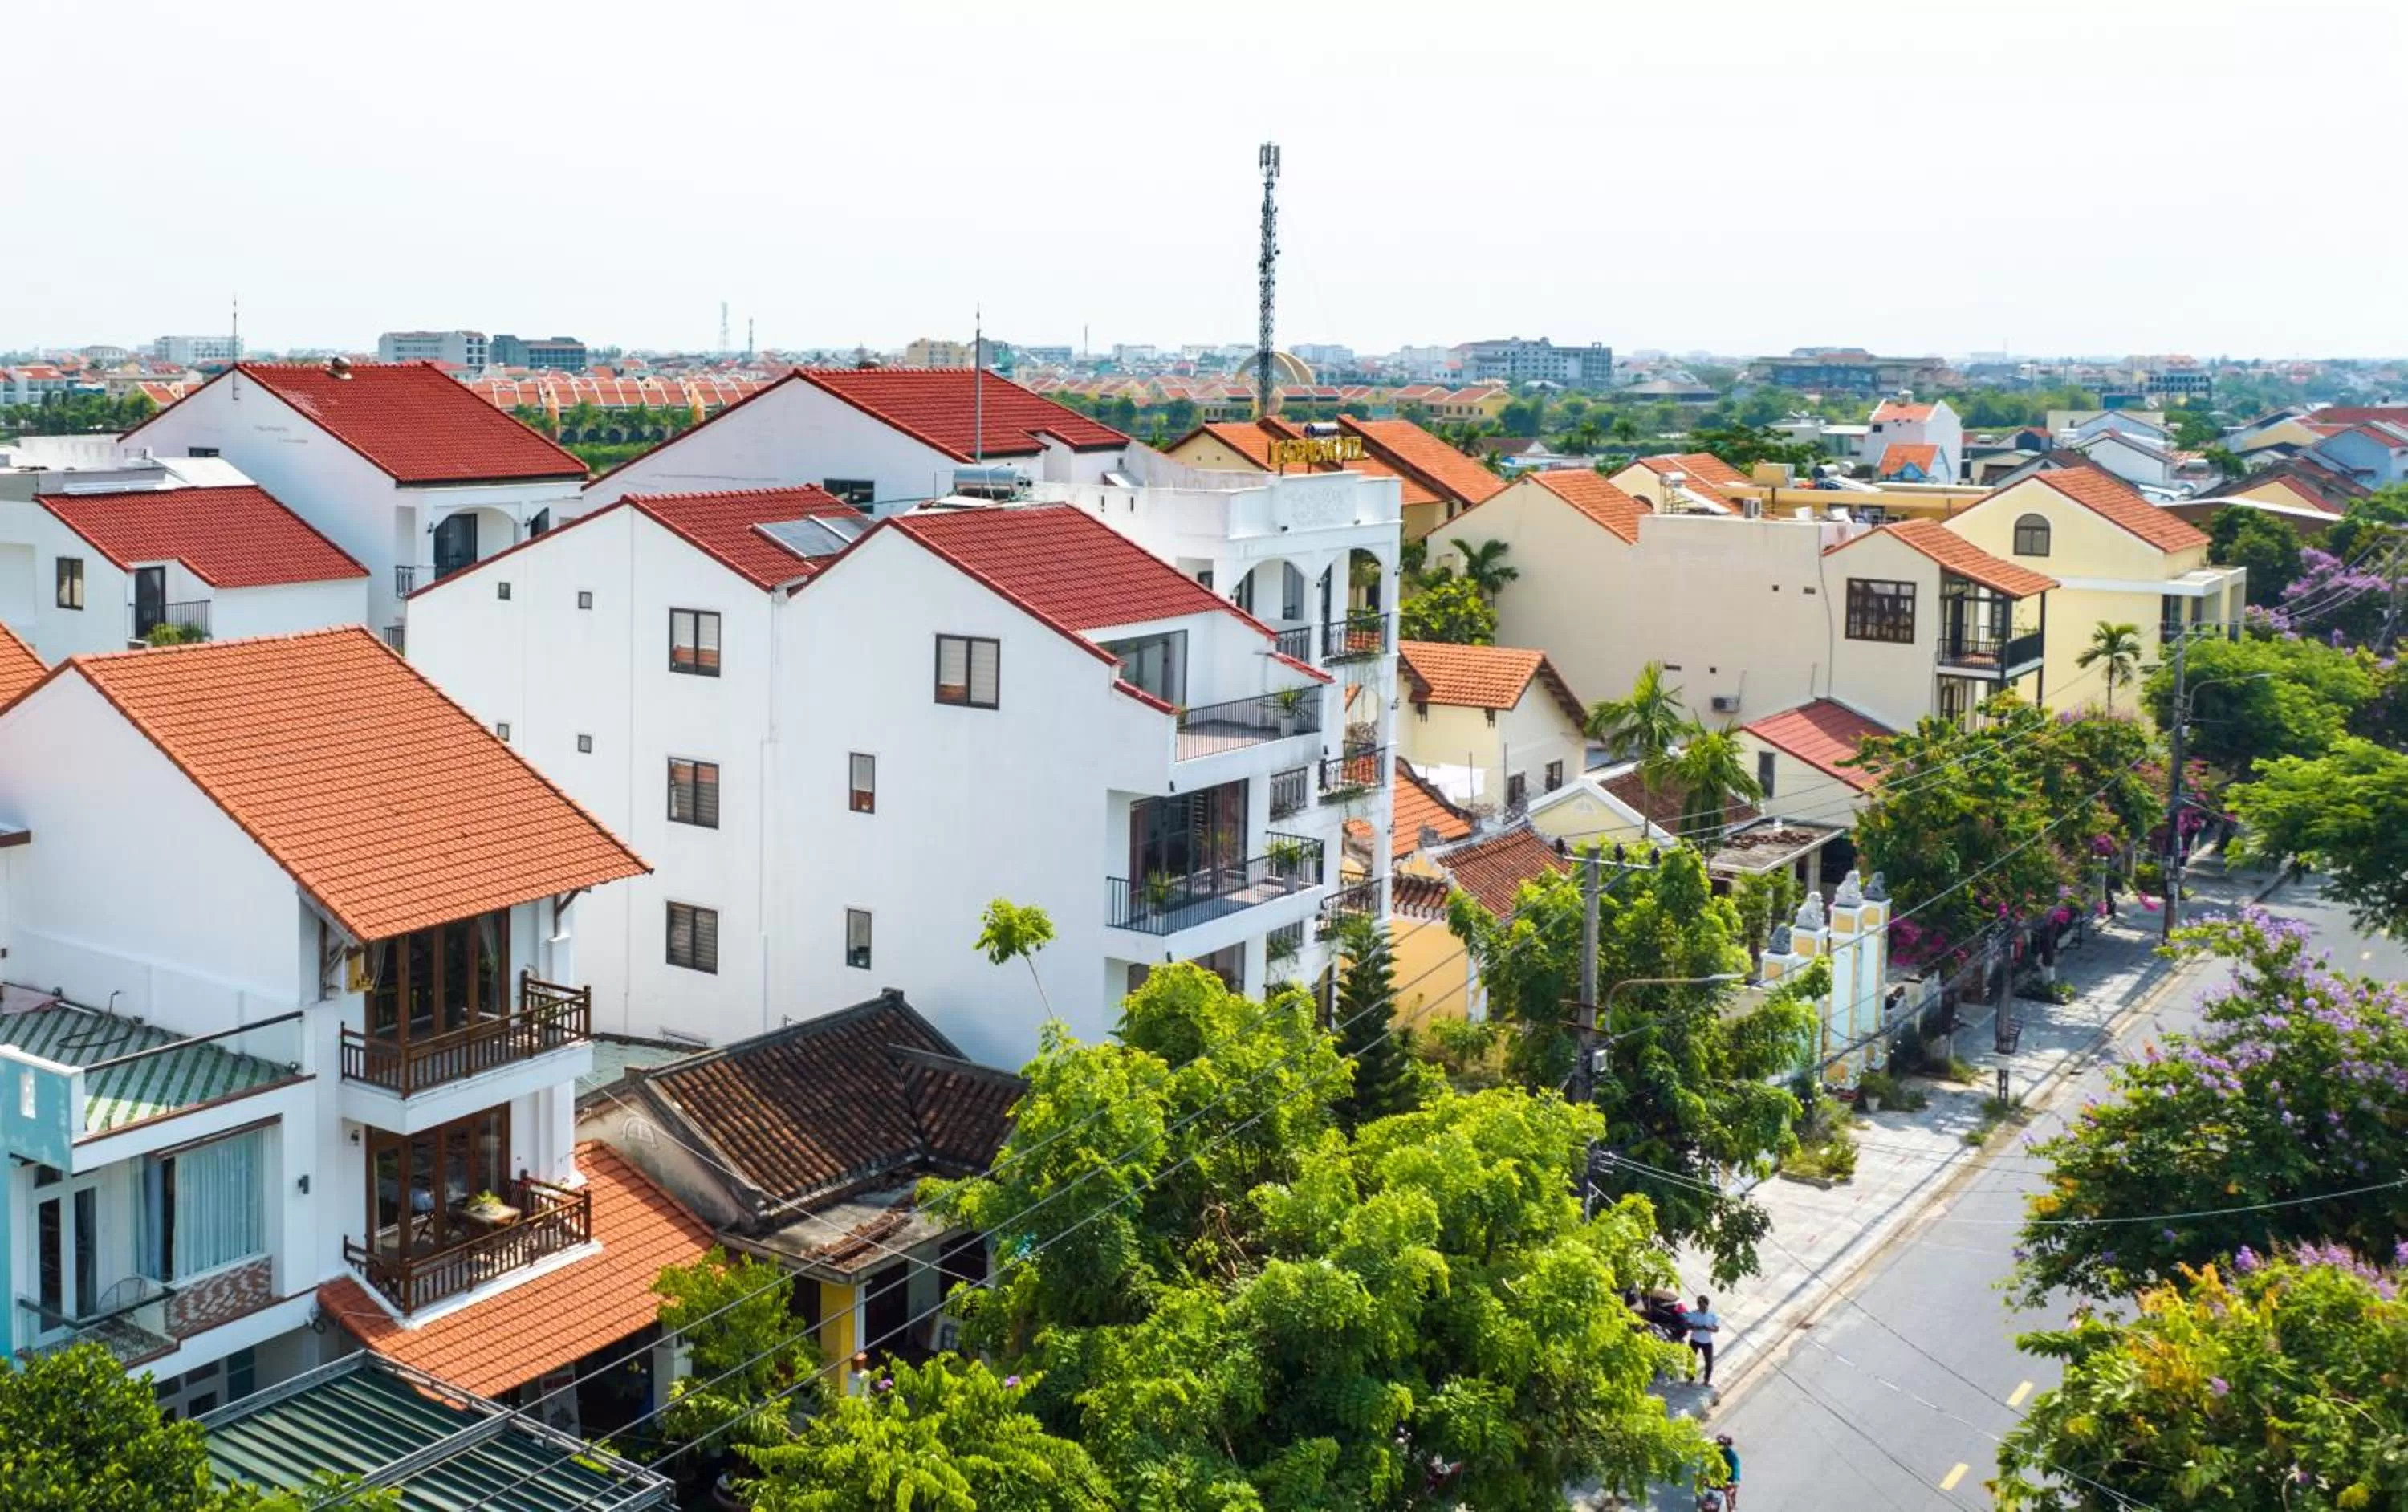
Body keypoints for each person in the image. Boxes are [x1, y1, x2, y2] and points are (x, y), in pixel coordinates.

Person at [1685, 1294, 1722, 1388]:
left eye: (1704, 1306)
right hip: (1695, 1341)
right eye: (1700, 1306)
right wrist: (1699, 1327)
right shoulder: (1694, 1314)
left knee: (1709, 1362)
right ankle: (1690, 1378)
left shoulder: (1712, 1315)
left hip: (1707, 1342)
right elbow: (1688, 1325)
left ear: (1707, 1305)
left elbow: (1716, 1329)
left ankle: (1706, 1381)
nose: (1702, 1308)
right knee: (1691, 1360)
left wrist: (1709, 1328)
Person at [1716, 1433, 1741, 1507]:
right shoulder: (1715, 1453)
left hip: (1730, 1479)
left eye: (1722, 1445)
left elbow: (1736, 1467)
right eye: (1718, 1444)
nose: (1720, 1446)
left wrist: (1736, 1480)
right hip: (1719, 1478)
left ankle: (1732, 1507)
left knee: (1729, 1497)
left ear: (1726, 1445)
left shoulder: (1732, 1455)